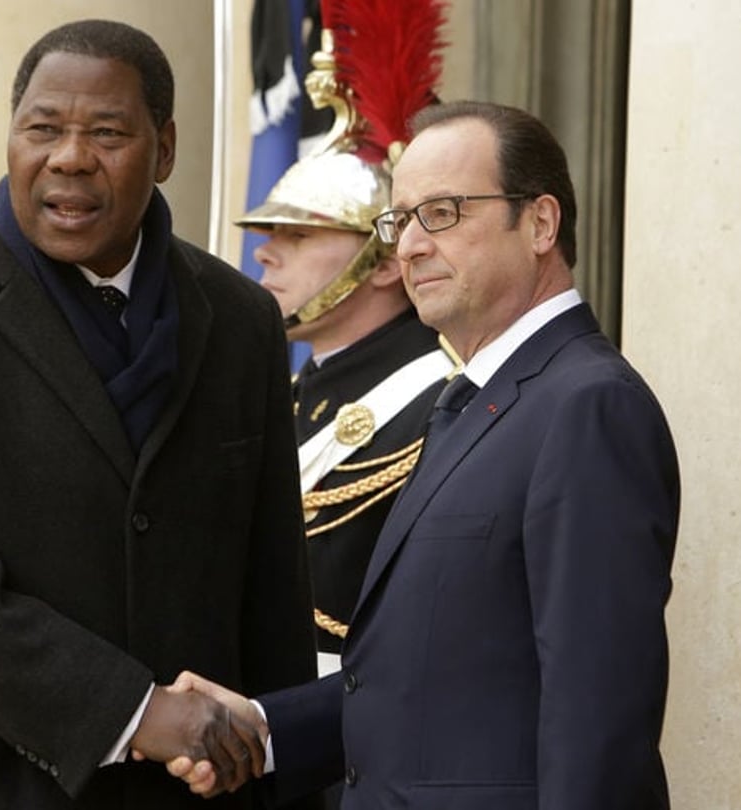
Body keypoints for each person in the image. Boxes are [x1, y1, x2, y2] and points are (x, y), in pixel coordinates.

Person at [0, 19, 317, 810]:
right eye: (42, 128)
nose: (69, 156)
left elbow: (272, 596)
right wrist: (134, 712)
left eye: (107, 132)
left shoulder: (239, 319)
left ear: (164, 151)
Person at [167, 100, 681, 810]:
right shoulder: (476, 401)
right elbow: (422, 681)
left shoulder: (586, 405)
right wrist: (260, 726)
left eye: (440, 212)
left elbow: (598, 719)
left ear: (539, 223)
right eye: (399, 219)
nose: (407, 245)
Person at [237, 0, 454, 679]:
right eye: (270, 234)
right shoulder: (292, 394)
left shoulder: (440, 404)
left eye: (297, 235)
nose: (265, 255)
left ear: (386, 260)